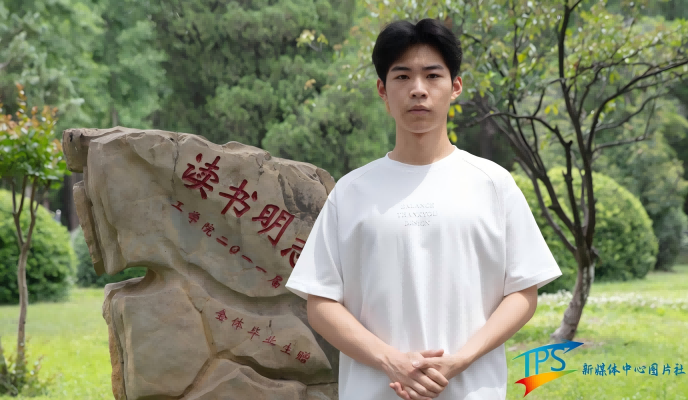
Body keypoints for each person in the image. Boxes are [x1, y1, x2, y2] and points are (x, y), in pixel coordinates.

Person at [285, 18, 562, 400]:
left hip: (471, 391)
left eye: (432, 75)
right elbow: (321, 303)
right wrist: (390, 361)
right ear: (383, 90)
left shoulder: (493, 184)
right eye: (402, 77)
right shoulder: (351, 191)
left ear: (455, 86)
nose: (418, 89)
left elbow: (522, 293)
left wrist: (461, 359)